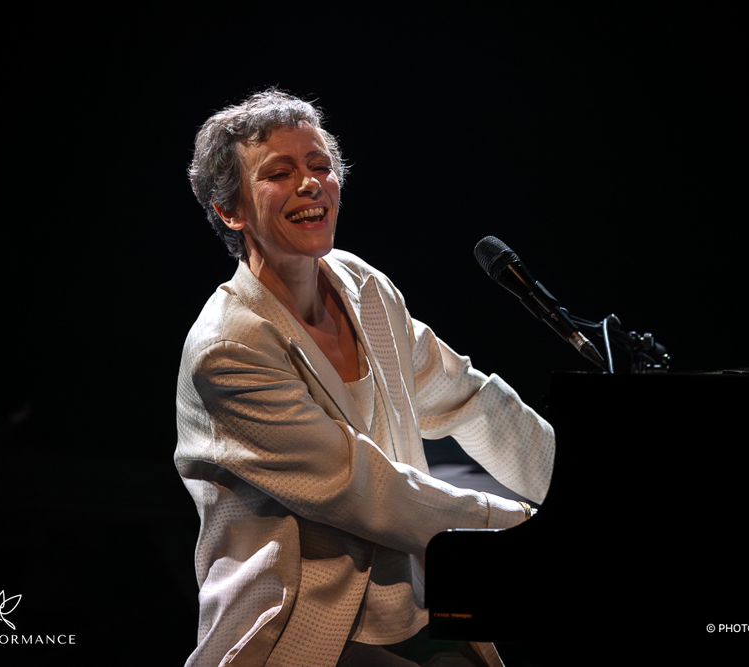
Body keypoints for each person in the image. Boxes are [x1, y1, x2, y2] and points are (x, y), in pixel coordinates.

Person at [175, 89, 554, 667]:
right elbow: (363, 487)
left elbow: (467, 397)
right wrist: (520, 525)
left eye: (320, 166)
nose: (311, 183)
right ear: (230, 211)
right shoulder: (230, 347)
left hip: (416, 601)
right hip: (303, 626)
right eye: (280, 172)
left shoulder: (364, 286)